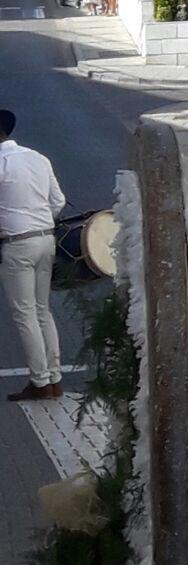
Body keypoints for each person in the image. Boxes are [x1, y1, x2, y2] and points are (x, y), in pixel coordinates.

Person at [0, 110, 64, 401]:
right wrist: (38, 222)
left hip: (17, 245)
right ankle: (55, 377)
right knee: (42, 310)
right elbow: (58, 201)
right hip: (46, 239)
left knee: (24, 313)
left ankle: (40, 382)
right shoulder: (38, 157)